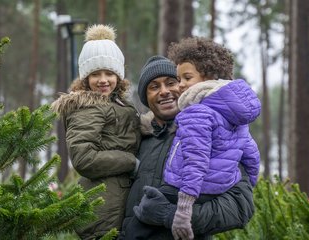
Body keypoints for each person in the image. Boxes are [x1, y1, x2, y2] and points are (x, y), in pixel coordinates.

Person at [120, 55, 256, 240]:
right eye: (154, 87)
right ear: (146, 97)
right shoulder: (136, 141)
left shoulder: (216, 136)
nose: (164, 91)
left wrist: (169, 215)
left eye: (172, 82)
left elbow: (241, 206)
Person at [51, 24, 141, 240]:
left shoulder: (117, 104)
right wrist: (130, 162)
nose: (103, 80)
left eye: (109, 72)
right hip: (103, 208)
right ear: (85, 78)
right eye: (95, 74)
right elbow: (84, 158)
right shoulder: (87, 107)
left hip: (117, 202)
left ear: (118, 75)